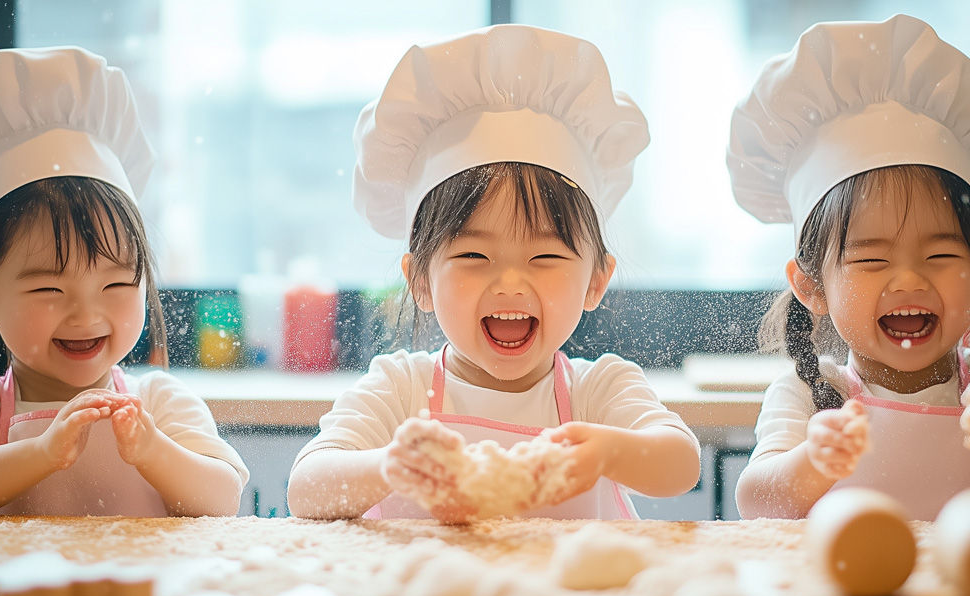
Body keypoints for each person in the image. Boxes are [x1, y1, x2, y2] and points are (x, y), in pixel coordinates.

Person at [287, 25, 700, 521]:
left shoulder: (596, 392)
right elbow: (306, 489)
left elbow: (681, 464)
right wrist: (390, 466)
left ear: (596, 280)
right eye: (473, 257)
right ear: (420, 281)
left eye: (545, 258)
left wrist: (607, 452)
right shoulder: (401, 390)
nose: (509, 283)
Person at [728, 16, 970, 520]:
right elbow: (755, 502)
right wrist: (813, 462)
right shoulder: (810, 394)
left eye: (939, 256)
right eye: (871, 259)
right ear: (811, 286)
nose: (910, 280)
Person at [0, 47, 247, 517]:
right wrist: (42, 453)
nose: (86, 315)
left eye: (116, 286)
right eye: (49, 290)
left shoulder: (158, 402)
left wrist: (152, 450)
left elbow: (222, 497)